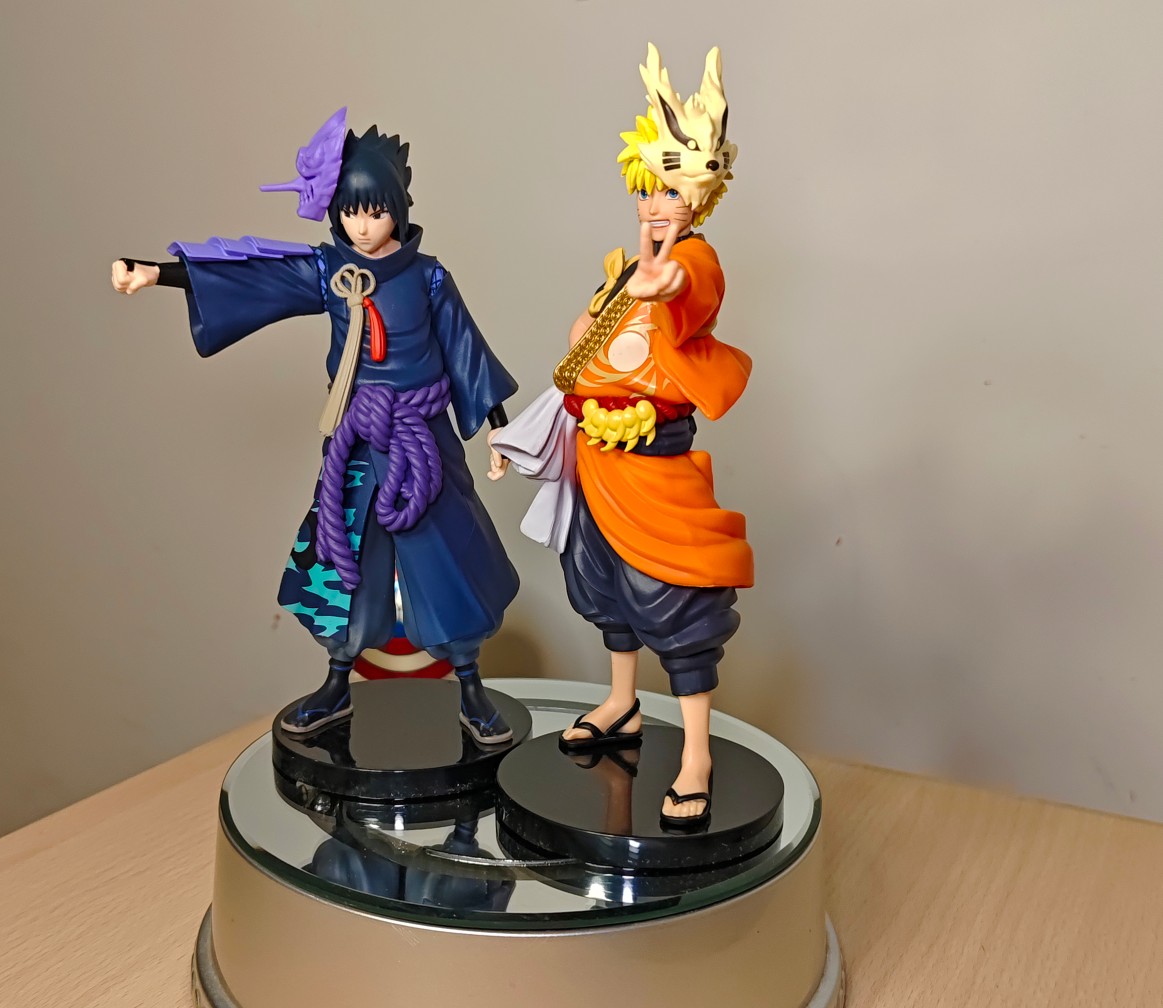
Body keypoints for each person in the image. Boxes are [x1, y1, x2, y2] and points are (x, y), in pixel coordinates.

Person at [112, 112, 519, 743]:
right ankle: (337, 681)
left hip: (421, 439)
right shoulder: (330, 272)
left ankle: (469, 684)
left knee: (445, 560)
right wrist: (157, 272)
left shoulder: (429, 276)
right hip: (356, 440)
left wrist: (497, 425)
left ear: (398, 209)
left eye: (375, 211)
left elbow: (467, 349)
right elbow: (255, 274)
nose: (363, 225)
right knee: (341, 555)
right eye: (351, 212)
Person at [490, 45, 752, 824]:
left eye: (670, 191)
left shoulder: (692, 262)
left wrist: (669, 281)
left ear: (699, 196)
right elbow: (576, 368)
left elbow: (691, 293)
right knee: (601, 590)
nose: (654, 205)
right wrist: (522, 441)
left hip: (653, 470)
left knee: (676, 605)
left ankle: (696, 753)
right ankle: (621, 702)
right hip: (594, 463)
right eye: (647, 190)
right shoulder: (619, 273)